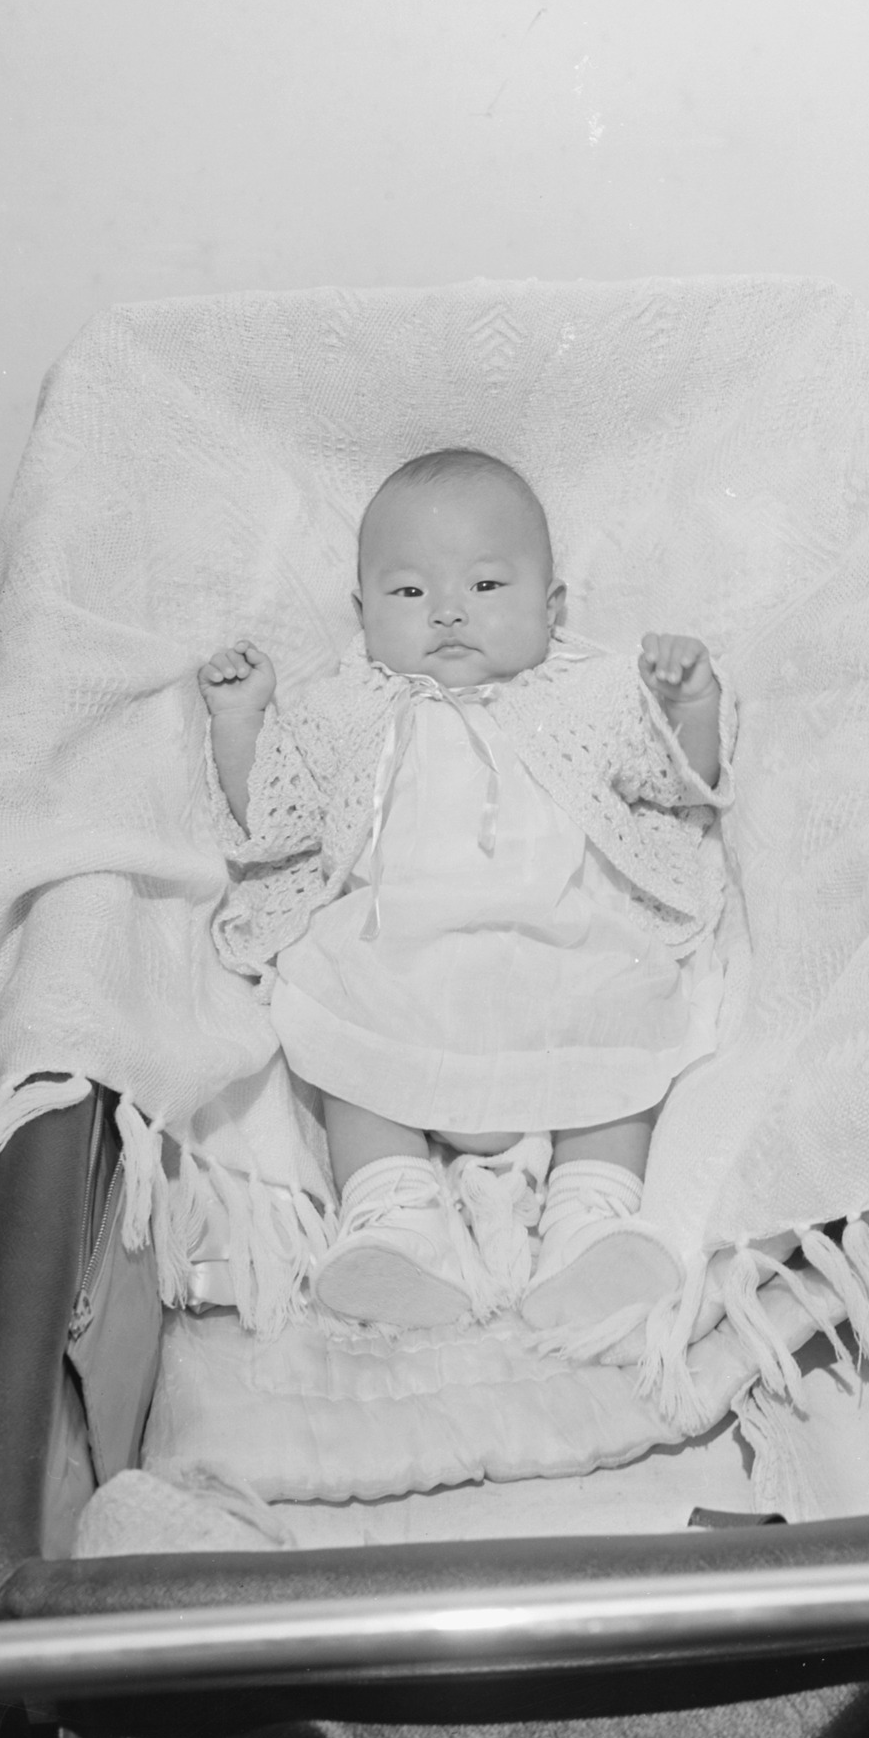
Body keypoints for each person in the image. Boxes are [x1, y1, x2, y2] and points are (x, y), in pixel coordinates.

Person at [199, 447, 733, 1336]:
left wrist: (692, 706)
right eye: (409, 593)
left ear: (550, 609)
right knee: (337, 1024)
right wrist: (241, 722)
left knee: (627, 1020)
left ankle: (590, 1223)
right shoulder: (346, 707)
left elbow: (679, 784)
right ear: (361, 611)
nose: (447, 610)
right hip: (397, 959)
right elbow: (276, 815)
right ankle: (392, 1218)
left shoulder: (588, 695)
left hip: (559, 954)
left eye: (486, 586)